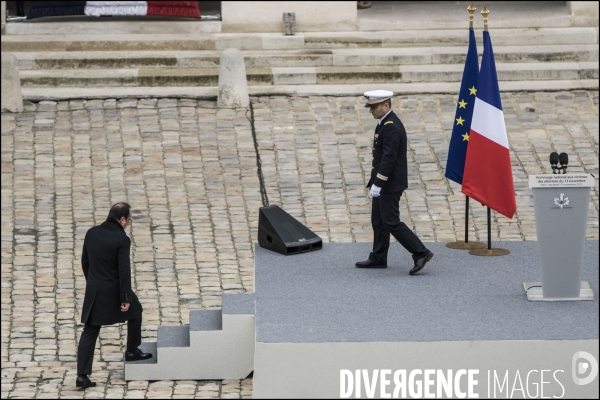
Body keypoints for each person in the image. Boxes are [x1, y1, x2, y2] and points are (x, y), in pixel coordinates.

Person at [355, 90, 434, 275]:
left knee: (390, 221)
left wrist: (379, 183)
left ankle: (421, 252)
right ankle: (378, 256)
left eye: (374, 107)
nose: (371, 111)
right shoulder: (384, 123)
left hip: (389, 184)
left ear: (386, 106)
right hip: (384, 182)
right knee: (378, 220)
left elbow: (388, 160)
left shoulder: (391, 127)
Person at [76, 202, 151, 389]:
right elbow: (124, 271)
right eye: (129, 220)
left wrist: (92, 282)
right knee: (136, 311)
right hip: (115, 290)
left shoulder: (91, 233)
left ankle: (81, 375)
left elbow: (85, 262)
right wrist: (125, 298)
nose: (128, 224)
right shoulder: (121, 239)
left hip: (95, 290)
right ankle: (132, 350)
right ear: (122, 219)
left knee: (90, 330)